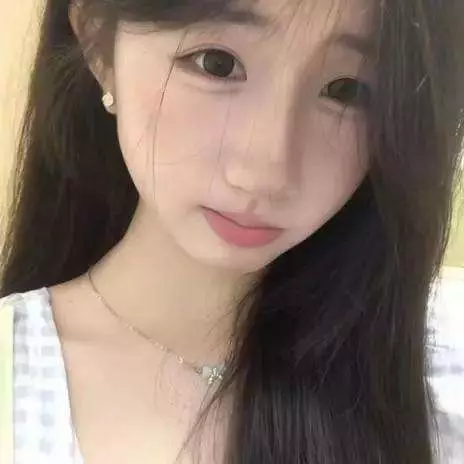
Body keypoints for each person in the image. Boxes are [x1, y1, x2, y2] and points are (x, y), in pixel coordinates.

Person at [0, 0, 463, 462]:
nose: (267, 173)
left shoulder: (440, 371)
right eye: (216, 64)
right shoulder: (16, 375)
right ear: (99, 47)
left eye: (346, 90)